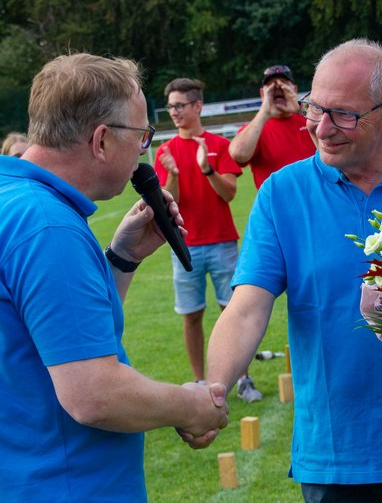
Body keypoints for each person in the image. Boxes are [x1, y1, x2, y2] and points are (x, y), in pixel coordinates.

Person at [206, 39, 382, 503]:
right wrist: (214, 390)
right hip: (336, 462)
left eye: (344, 114)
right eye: (314, 109)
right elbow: (246, 309)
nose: (322, 128)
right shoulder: (283, 193)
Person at [0, 53, 228, 502]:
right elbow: (93, 394)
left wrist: (121, 258)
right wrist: (192, 405)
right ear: (101, 139)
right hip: (66, 485)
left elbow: (52, 332)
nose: (144, 149)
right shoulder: (49, 226)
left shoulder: (15, 200)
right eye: (142, 135)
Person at [154, 77, 262, 403]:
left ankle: (243, 380)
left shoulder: (219, 144)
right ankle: (201, 383)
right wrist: (172, 174)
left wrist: (206, 170)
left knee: (233, 312)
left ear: (197, 106)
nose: (173, 112)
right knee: (192, 315)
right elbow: (166, 203)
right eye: (170, 106)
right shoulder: (165, 150)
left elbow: (229, 193)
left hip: (223, 242)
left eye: (179, 105)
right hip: (184, 246)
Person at [228, 65, 315, 189]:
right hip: (277, 205)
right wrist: (264, 112)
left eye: (284, 84)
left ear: (294, 89)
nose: (278, 89)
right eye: (271, 86)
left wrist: (300, 109)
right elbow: (238, 154)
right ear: (262, 93)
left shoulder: (309, 119)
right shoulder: (256, 128)